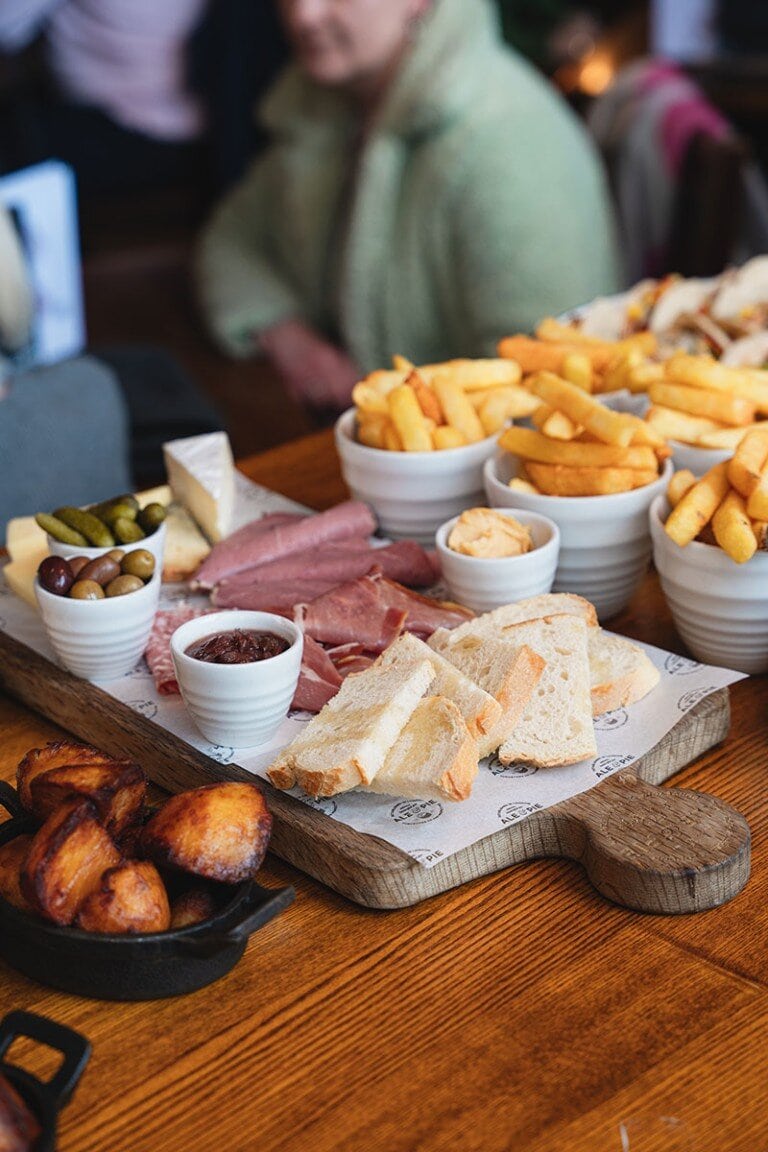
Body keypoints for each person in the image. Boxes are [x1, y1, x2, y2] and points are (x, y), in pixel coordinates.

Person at [196, 0, 619, 413]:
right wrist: (286, 333)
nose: (304, 14)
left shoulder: (510, 143)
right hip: (350, 440)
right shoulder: (323, 102)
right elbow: (232, 236)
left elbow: (550, 383)